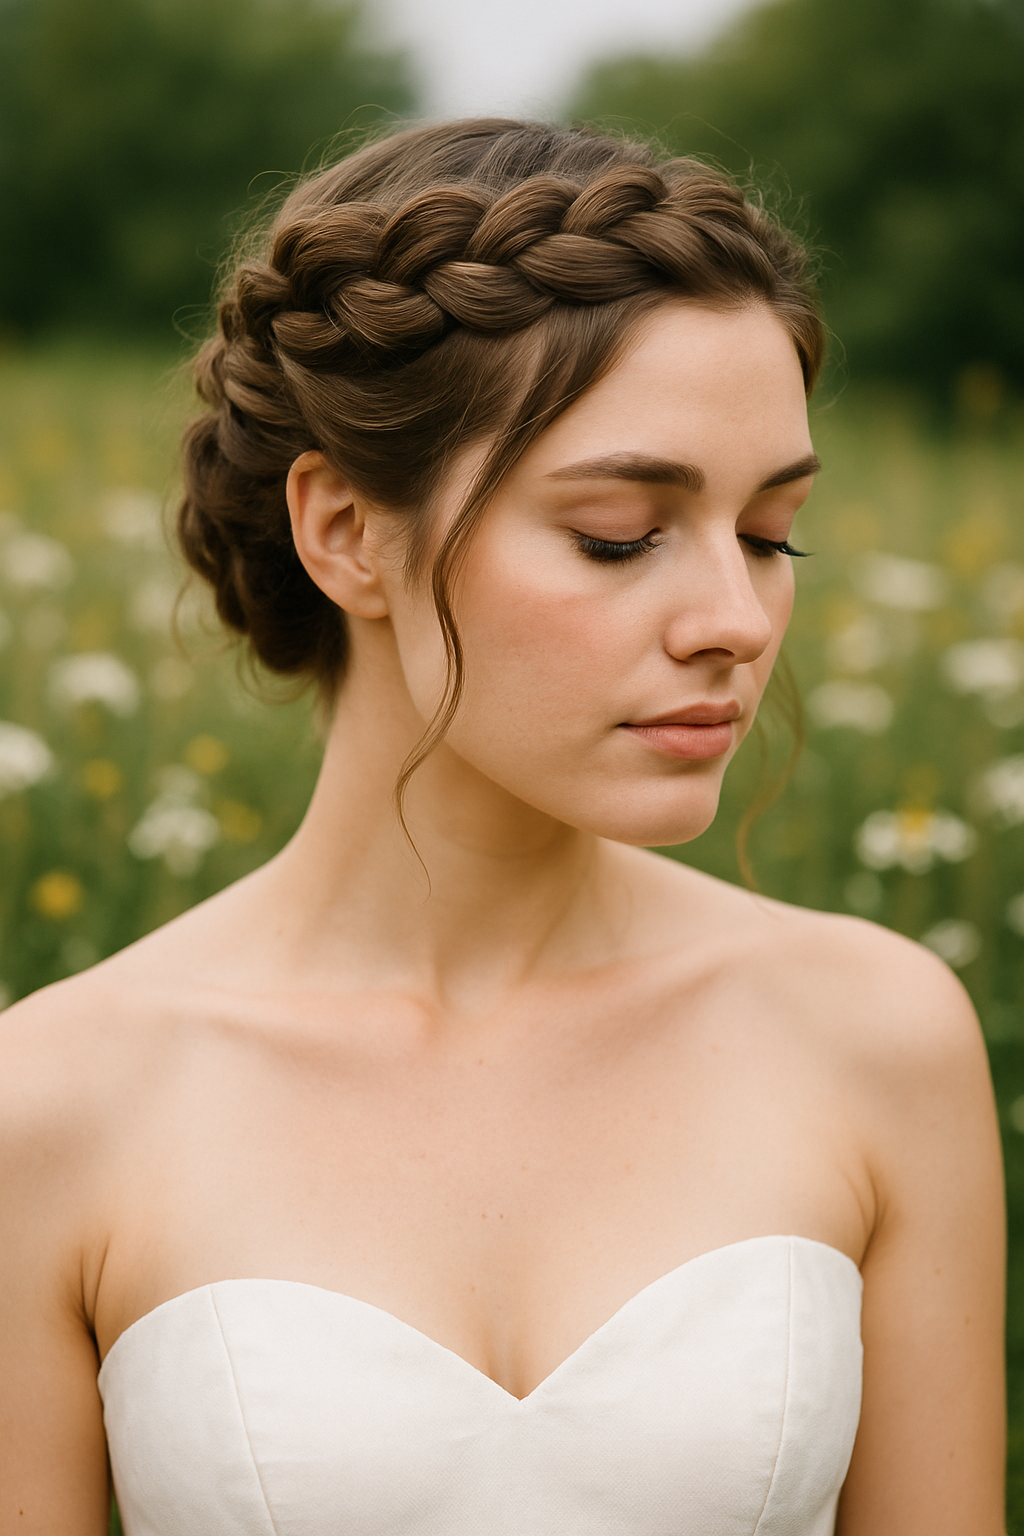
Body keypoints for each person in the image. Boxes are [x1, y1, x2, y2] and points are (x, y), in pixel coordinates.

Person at [0, 119, 1005, 1536]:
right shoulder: (51, 1105)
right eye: (616, 533)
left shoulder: (878, 1036)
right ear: (348, 530)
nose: (735, 621)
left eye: (773, 533)